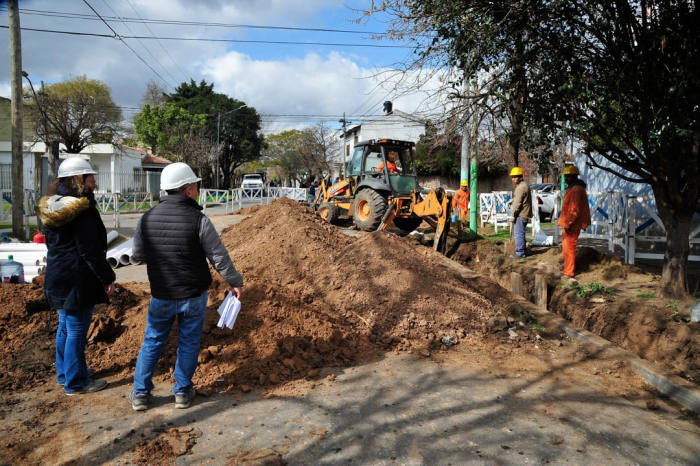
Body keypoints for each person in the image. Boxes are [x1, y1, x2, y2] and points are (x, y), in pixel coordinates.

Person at [129, 162, 243, 411]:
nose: (198, 190)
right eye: (196, 186)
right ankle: (182, 391)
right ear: (188, 189)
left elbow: (137, 255)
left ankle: (140, 394)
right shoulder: (199, 220)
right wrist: (235, 282)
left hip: (162, 293)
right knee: (189, 343)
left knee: (152, 340)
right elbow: (219, 258)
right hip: (193, 295)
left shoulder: (146, 218)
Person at [38, 157, 115, 396]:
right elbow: (89, 250)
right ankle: (75, 383)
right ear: (79, 180)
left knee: (65, 327)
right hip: (77, 279)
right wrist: (107, 277)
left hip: (59, 275)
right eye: (91, 179)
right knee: (76, 331)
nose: (94, 183)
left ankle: (66, 374)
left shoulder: (54, 205)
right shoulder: (81, 211)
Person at [557, 165, 591, 278]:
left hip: (572, 225)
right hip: (570, 224)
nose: (566, 179)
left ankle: (568, 272)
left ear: (574, 176)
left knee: (569, 248)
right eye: (565, 177)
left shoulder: (576, 189)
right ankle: (567, 267)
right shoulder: (574, 188)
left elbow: (574, 209)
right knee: (566, 247)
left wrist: (568, 223)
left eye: (568, 176)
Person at [509, 167, 533, 258]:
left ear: (521, 177)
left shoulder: (520, 188)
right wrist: (513, 200)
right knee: (521, 233)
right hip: (525, 214)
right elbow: (519, 200)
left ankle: (520, 253)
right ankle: (523, 250)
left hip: (521, 214)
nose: (513, 179)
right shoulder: (524, 186)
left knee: (518, 234)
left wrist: (513, 215)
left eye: (515, 177)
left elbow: (518, 204)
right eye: (512, 177)